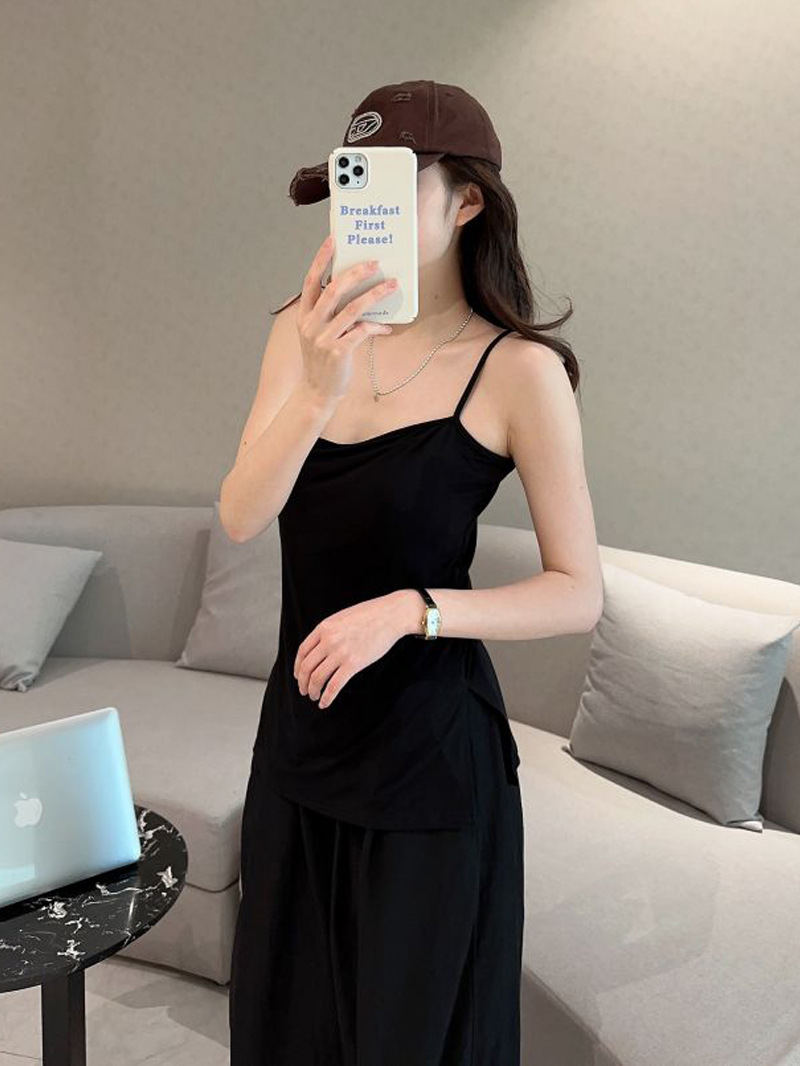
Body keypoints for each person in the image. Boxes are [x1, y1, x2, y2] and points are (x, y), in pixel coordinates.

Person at [223, 79, 603, 1066]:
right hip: (298, 744)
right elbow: (241, 514)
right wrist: (318, 387)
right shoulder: (301, 333)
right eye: (347, 188)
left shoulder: (516, 370)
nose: (358, 214)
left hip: (430, 764)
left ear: (466, 200)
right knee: (282, 1030)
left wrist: (411, 609)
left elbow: (577, 590)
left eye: (387, 187)